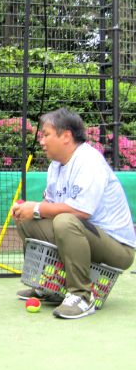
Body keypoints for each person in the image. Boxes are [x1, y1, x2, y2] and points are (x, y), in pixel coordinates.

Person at [12, 108, 135, 319]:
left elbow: (81, 211)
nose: (41, 140)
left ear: (66, 136)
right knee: (27, 221)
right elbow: (50, 204)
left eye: (46, 134)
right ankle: (49, 286)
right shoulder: (55, 166)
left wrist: (37, 208)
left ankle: (82, 297)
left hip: (118, 248)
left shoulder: (89, 161)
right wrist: (28, 210)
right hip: (83, 233)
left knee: (65, 221)